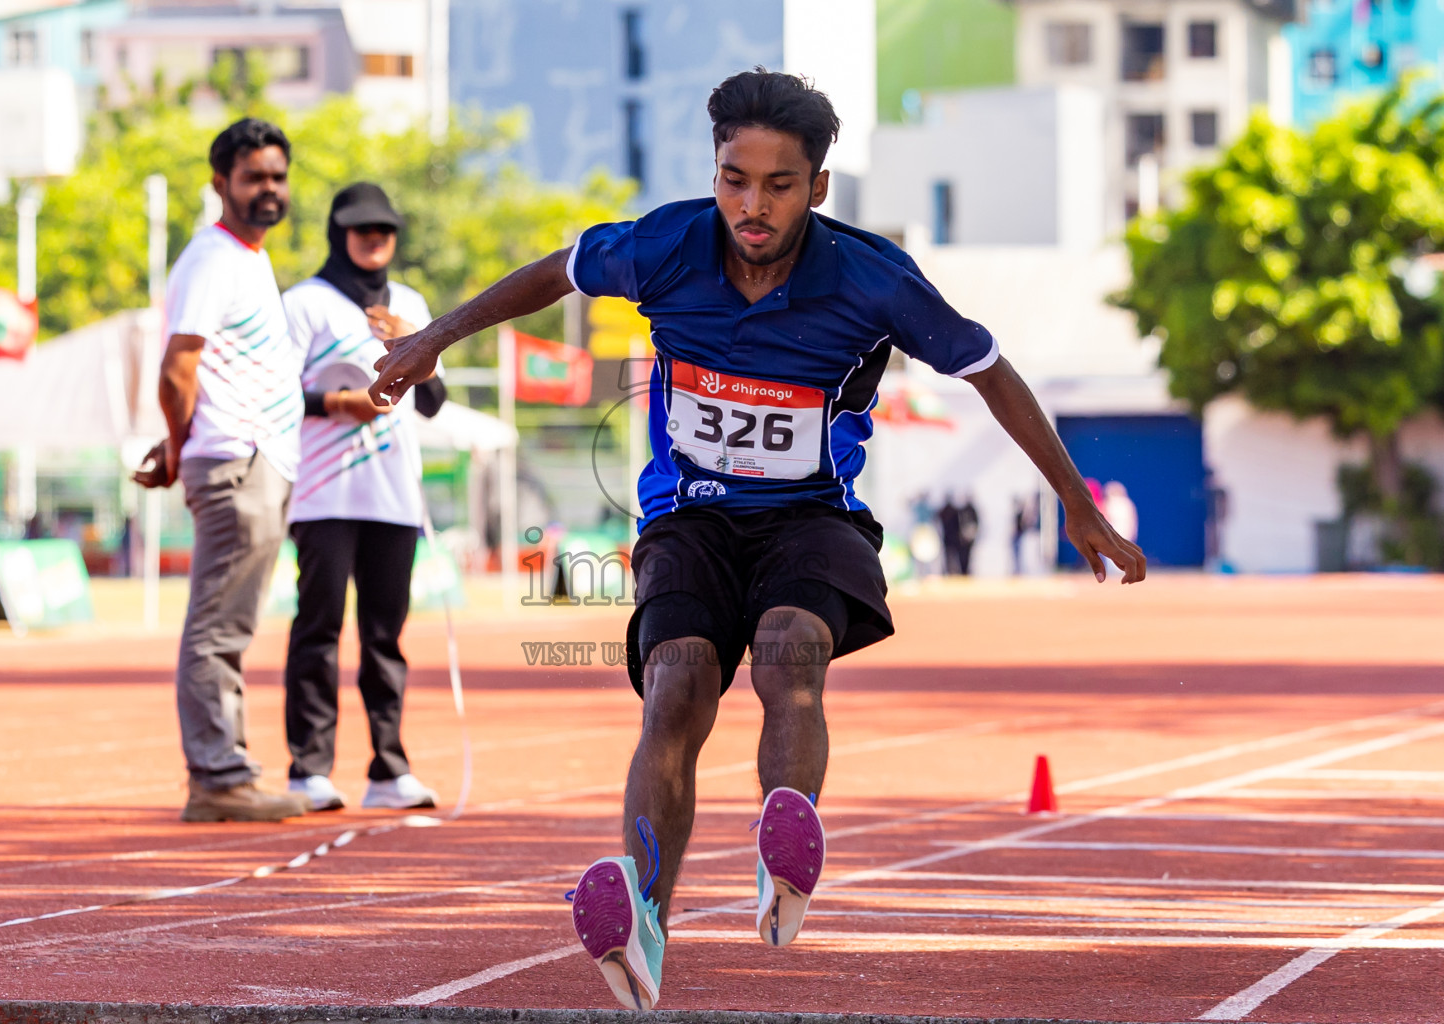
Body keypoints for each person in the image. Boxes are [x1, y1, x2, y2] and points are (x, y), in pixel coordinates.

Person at [370, 69, 1146, 1008]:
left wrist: (1073, 497)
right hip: (688, 517)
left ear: (817, 187)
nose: (751, 203)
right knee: (677, 684)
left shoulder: (873, 278)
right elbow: (555, 273)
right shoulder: (666, 246)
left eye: (778, 185)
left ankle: (788, 843)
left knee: (790, 654)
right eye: (734, 178)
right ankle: (645, 918)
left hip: (811, 516)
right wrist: (434, 340)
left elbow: (987, 367)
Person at [154, 118, 308, 823]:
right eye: (254, 178)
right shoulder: (212, 259)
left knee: (231, 624)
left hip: (256, 458)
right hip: (235, 461)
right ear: (221, 184)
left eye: (277, 177)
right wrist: (180, 443)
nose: (269, 190)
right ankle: (217, 775)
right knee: (217, 627)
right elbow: (178, 365)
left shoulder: (248, 257)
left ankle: (226, 766)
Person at [281, 182, 445, 813]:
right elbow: (275, 394)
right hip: (323, 494)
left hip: (394, 496)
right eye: (361, 228)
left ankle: (388, 768)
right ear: (337, 232)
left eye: (385, 229)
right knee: (318, 631)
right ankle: (309, 769)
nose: (375, 240)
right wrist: (336, 404)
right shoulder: (305, 304)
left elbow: (433, 403)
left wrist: (415, 345)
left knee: (386, 637)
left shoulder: (409, 302)